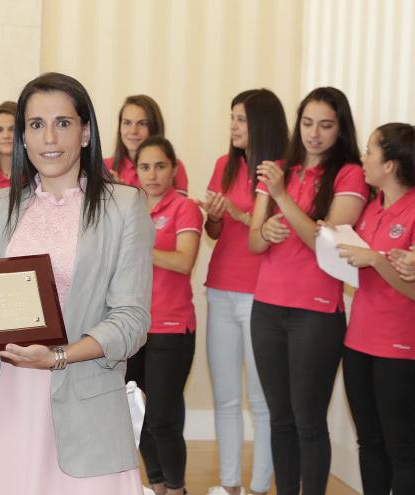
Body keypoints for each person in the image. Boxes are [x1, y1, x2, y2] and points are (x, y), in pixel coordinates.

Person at [0, 72, 153, 494]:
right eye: (36, 124)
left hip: (85, 400)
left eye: (63, 123)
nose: (49, 137)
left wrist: (58, 356)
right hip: (7, 398)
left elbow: (132, 320)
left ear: (85, 132)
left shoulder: (124, 206)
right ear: (23, 137)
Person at [248, 87, 368, 495]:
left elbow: (327, 246)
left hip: (315, 313)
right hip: (266, 307)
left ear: (341, 129)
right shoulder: (280, 168)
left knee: (307, 420)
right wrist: (264, 228)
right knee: (280, 418)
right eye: (308, 123)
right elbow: (253, 243)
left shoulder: (350, 173)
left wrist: (281, 197)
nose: (314, 134)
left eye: (326, 125)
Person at [200, 89, 288, 495]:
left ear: (262, 124)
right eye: (231, 117)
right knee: (226, 394)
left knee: (262, 397)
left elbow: (276, 229)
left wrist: (238, 213)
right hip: (219, 288)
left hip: (262, 293)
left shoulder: (282, 172)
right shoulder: (224, 165)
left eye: (241, 119)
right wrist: (216, 218)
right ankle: (230, 483)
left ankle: (258, 486)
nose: (233, 126)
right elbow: (215, 234)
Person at [335, 122, 415, 494]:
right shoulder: (372, 209)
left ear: (390, 164)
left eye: (370, 151)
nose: (364, 158)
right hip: (359, 340)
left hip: (401, 344)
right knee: (369, 442)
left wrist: (374, 259)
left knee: (401, 448)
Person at [125, 136, 203, 495]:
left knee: (163, 419)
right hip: (134, 325)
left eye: (160, 166)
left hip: (172, 328)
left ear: (173, 169)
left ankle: (177, 488)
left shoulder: (185, 208)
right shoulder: (129, 206)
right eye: (144, 167)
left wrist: (142, 244)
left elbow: (184, 261)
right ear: (135, 170)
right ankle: (156, 485)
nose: (152, 174)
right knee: (138, 415)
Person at [104, 95, 189, 195]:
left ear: (155, 127)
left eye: (142, 124)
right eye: (127, 123)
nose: (133, 131)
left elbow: (179, 208)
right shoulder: (105, 167)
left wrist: (126, 195)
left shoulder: (173, 166)